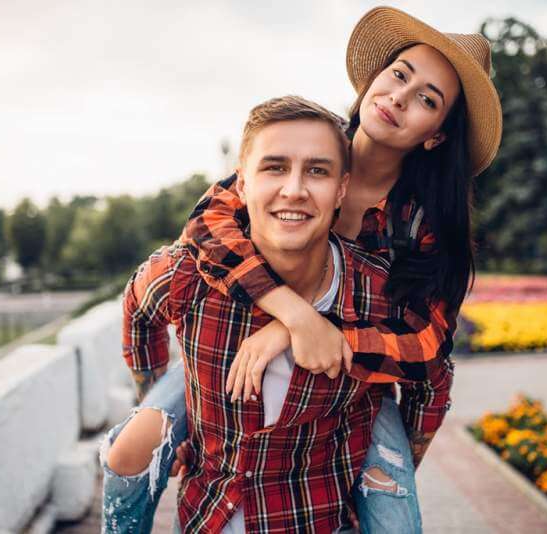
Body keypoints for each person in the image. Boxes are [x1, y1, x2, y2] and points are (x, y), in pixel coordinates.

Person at [102, 6, 502, 533]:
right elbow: (205, 230)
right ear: (374, 78)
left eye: (427, 99)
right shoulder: (307, 145)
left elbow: (427, 345)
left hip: (356, 375)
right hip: (235, 336)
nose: (400, 98)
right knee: (132, 447)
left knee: (393, 514)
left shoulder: (423, 221)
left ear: (436, 135)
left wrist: (305, 335)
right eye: (399, 75)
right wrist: (292, 315)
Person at [109, 95, 433, 533]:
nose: (295, 189)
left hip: (317, 518)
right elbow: (137, 307)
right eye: (275, 167)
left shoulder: (376, 293)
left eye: (317, 171)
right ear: (241, 185)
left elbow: (433, 370)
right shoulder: (187, 275)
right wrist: (157, 396)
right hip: (210, 516)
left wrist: (401, 451)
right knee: (127, 448)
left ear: (341, 190)